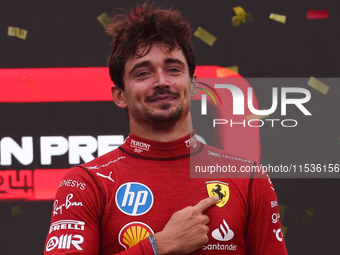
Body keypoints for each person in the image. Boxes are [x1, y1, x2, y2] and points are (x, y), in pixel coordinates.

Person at [44, 3, 288, 255]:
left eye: (173, 69)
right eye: (143, 73)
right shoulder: (86, 183)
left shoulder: (247, 177)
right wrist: (158, 246)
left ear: (193, 85)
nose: (161, 82)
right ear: (120, 96)